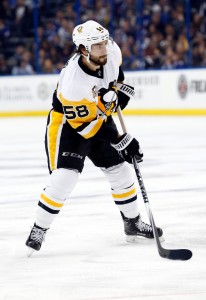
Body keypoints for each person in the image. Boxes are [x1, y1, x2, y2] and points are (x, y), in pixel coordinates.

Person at [25, 20, 163, 256]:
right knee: (65, 177)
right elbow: (84, 127)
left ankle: (132, 223)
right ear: (83, 50)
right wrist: (121, 140)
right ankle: (39, 229)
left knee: (120, 170)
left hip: (96, 115)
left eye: (104, 43)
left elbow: (117, 77)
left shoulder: (111, 51)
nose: (104, 49)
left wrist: (118, 95)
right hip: (69, 124)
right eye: (97, 46)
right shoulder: (73, 83)